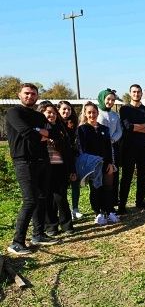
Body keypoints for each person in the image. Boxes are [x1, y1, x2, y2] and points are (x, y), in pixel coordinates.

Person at [6, 83, 61, 255]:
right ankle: (17, 242)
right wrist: (40, 133)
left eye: (33, 94)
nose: (30, 96)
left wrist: (39, 132)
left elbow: (53, 133)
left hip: (42, 160)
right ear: (19, 94)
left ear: (37, 96)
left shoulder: (39, 116)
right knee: (30, 200)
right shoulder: (14, 113)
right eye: (27, 93)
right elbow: (26, 134)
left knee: (42, 197)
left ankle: (38, 234)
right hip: (24, 161)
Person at [38, 101, 76, 236]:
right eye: (49, 112)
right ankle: (51, 227)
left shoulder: (61, 129)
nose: (52, 115)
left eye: (54, 113)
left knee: (61, 197)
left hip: (60, 167)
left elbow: (68, 152)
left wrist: (72, 170)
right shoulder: (38, 128)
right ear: (42, 113)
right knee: (48, 198)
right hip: (45, 167)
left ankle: (67, 225)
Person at [78, 102, 119, 225]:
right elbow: (83, 149)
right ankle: (98, 212)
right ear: (85, 114)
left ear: (97, 113)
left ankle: (109, 210)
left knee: (108, 188)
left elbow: (108, 147)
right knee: (96, 188)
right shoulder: (82, 129)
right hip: (93, 164)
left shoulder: (104, 129)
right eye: (89, 112)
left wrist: (110, 163)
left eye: (94, 112)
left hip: (106, 163)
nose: (92, 115)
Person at [118, 84, 145, 213]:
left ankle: (140, 201)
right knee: (126, 177)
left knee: (143, 175)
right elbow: (128, 127)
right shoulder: (124, 109)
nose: (136, 94)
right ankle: (122, 205)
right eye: (134, 92)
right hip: (129, 149)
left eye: (138, 92)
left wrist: (138, 127)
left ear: (141, 94)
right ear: (130, 93)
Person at [96, 89, 123, 210]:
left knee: (113, 174)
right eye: (108, 99)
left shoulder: (114, 115)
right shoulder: (96, 113)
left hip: (112, 147)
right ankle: (100, 204)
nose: (110, 102)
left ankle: (111, 203)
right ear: (102, 99)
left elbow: (119, 130)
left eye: (112, 100)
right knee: (100, 175)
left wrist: (113, 139)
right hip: (99, 148)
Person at [58, 100, 82, 219]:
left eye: (69, 109)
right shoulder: (55, 124)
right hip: (59, 159)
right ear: (58, 110)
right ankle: (63, 211)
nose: (67, 111)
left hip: (72, 158)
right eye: (64, 109)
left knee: (75, 182)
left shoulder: (73, 125)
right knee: (61, 187)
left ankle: (75, 209)